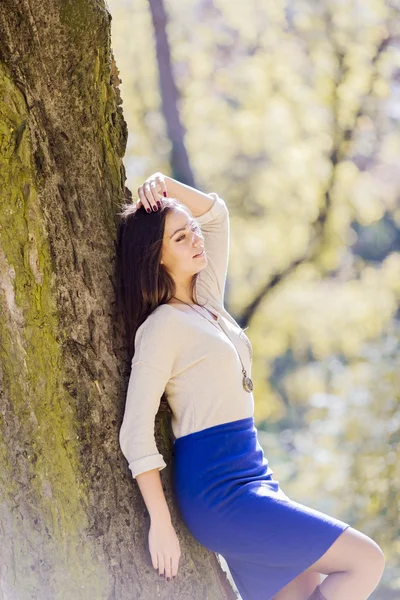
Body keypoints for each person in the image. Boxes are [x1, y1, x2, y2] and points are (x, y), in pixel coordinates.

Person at [115, 172, 385, 600]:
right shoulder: (162, 327)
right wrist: (161, 523)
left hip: (255, 476)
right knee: (366, 560)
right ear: (157, 256)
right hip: (218, 493)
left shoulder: (206, 303)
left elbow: (217, 216)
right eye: (181, 238)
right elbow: (134, 431)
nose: (196, 240)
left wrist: (166, 185)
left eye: (192, 231)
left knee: (302, 591)